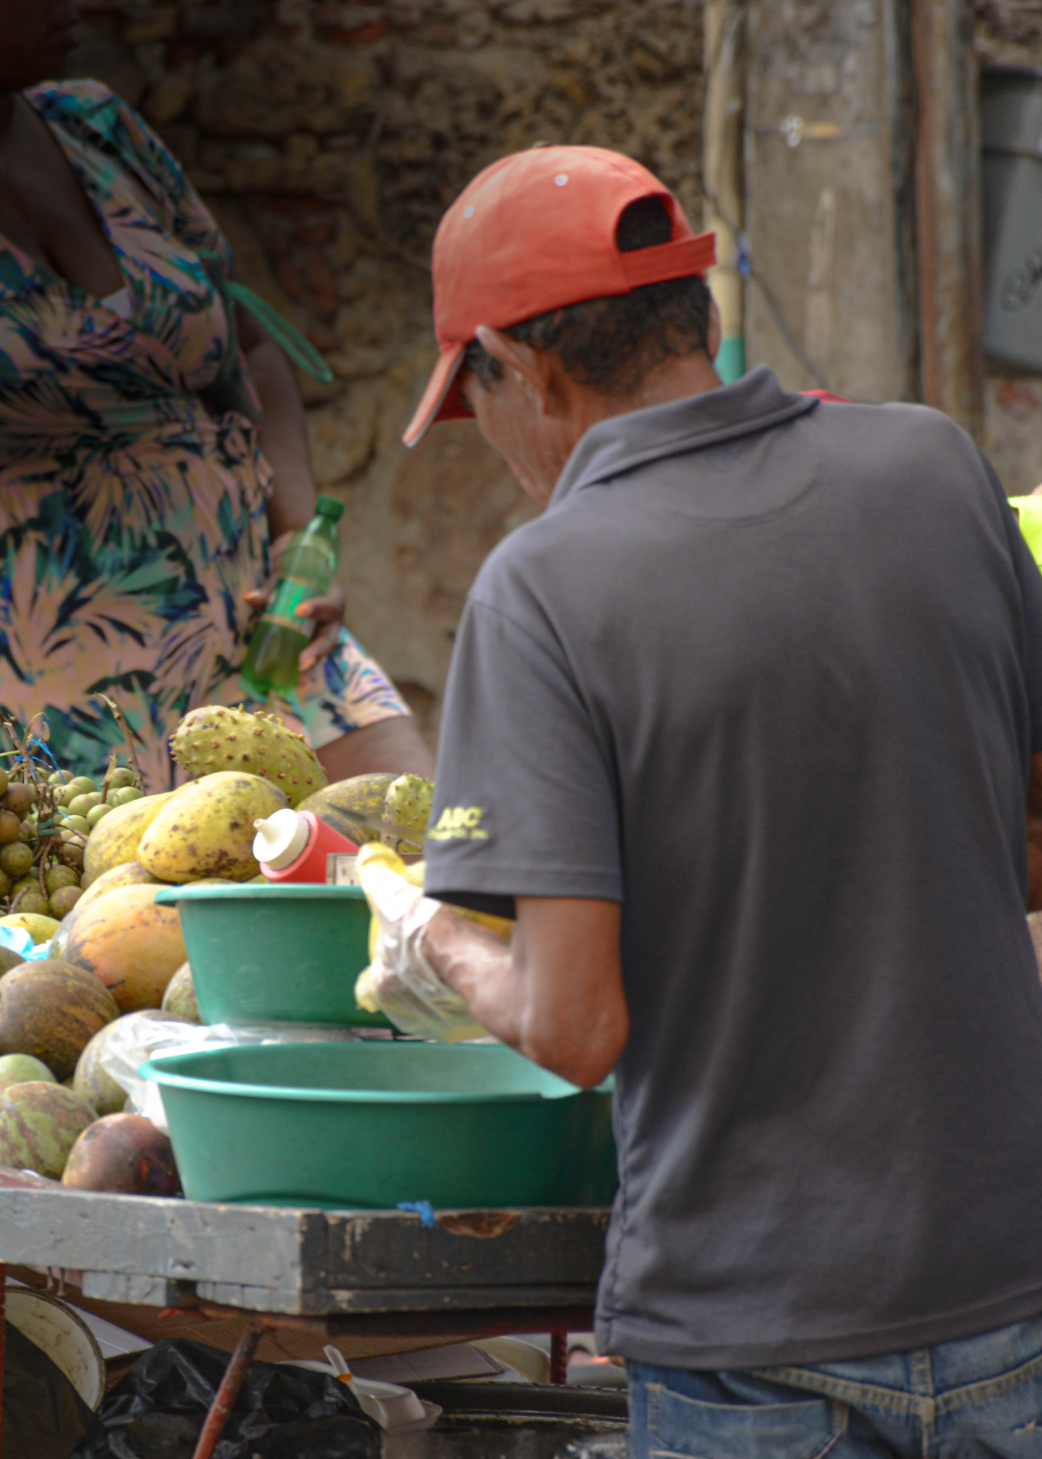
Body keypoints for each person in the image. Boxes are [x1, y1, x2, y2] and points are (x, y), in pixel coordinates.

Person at [363, 143, 1042, 1456]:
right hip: (1008, 1296)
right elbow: (1022, 838)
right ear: (699, 318)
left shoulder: (542, 587)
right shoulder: (936, 468)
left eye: (476, 401)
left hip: (749, 1339)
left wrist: (439, 937)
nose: (493, 445)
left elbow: (573, 1024)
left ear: (528, 367)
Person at [0, 2, 434, 786]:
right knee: (128, 906)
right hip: (59, 696)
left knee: (409, 841)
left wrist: (299, 544)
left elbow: (250, 346)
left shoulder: (96, 128)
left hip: (258, 629)